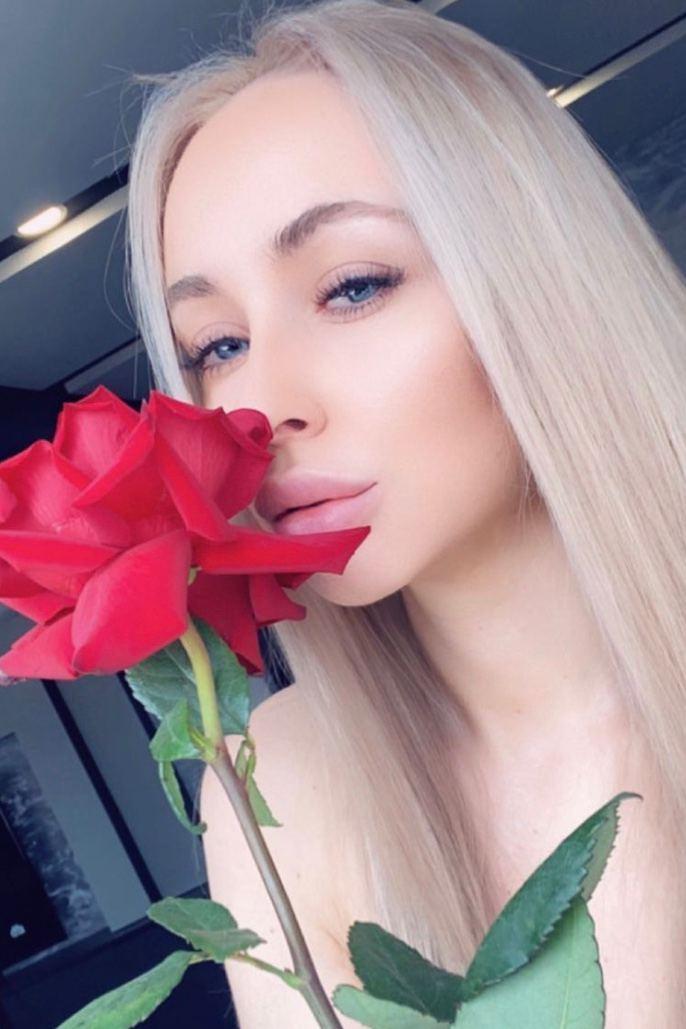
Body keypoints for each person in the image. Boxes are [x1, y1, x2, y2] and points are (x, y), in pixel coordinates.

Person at [124, 0, 686, 1024]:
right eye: (217, 346)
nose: (258, 408)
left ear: (539, 274)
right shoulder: (283, 778)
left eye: (351, 287)